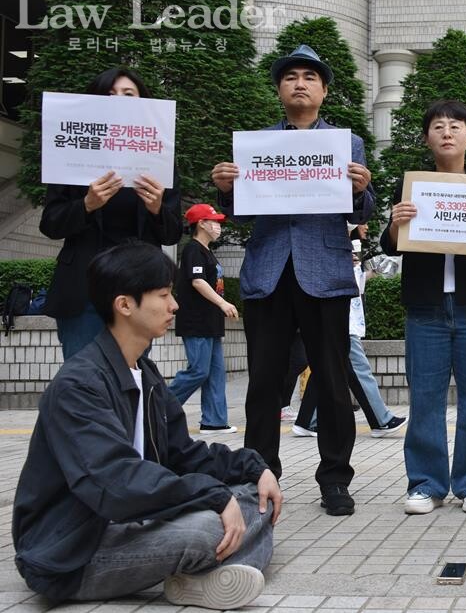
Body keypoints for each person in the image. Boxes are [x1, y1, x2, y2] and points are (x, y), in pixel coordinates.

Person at [12, 242, 282, 610]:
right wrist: (215, 497)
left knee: (255, 495)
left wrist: (255, 466)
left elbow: (183, 454)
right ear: (125, 305)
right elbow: (114, 480)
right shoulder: (79, 385)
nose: (174, 305)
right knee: (211, 525)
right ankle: (223, 566)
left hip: (128, 522)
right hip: (73, 552)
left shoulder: (145, 372)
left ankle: (208, 575)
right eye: (164, 295)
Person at [211, 44, 374, 517]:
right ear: (280, 89)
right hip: (268, 271)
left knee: (331, 379)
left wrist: (360, 191)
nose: (299, 83)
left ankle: (336, 480)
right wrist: (227, 188)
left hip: (324, 271)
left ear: (323, 90)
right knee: (263, 382)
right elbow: (240, 212)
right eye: (290, 77)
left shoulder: (349, 144)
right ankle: (260, 477)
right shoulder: (257, 145)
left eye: (309, 77)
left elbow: (362, 210)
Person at [381, 99, 466, 515]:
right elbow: (391, 244)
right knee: (425, 397)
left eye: (456, 126)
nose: (447, 132)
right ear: (427, 138)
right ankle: (425, 484)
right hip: (425, 307)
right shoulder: (410, 188)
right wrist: (395, 220)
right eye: (438, 126)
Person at [39, 67, 182, 360]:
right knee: (84, 378)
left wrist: (157, 209)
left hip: (139, 288)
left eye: (129, 94)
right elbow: (50, 224)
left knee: (132, 379)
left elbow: (173, 232)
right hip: (84, 289)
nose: (119, 100)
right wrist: (86, 205)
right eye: (109, 94)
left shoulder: (159, 158)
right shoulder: (72, 155)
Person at [292, 238, 408, 438]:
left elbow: (356, 285)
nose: (364, 226)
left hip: (341, 321)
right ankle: (381, 419)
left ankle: (307, 420)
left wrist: (370, 271)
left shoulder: (346, 249)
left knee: (325, 369)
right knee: (360, 370)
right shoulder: (338, 241)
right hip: (343, 323)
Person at [167, 204, 238, 434]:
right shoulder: (193, 250)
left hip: (210, 322)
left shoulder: (207, 251)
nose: (218, 226)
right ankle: (159, 407)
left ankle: (214, 421)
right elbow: (197, 281)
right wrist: (222, 303)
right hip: (196, 321)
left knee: (215, 374)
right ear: (201, 224)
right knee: (198, 371)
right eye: (214, 221)